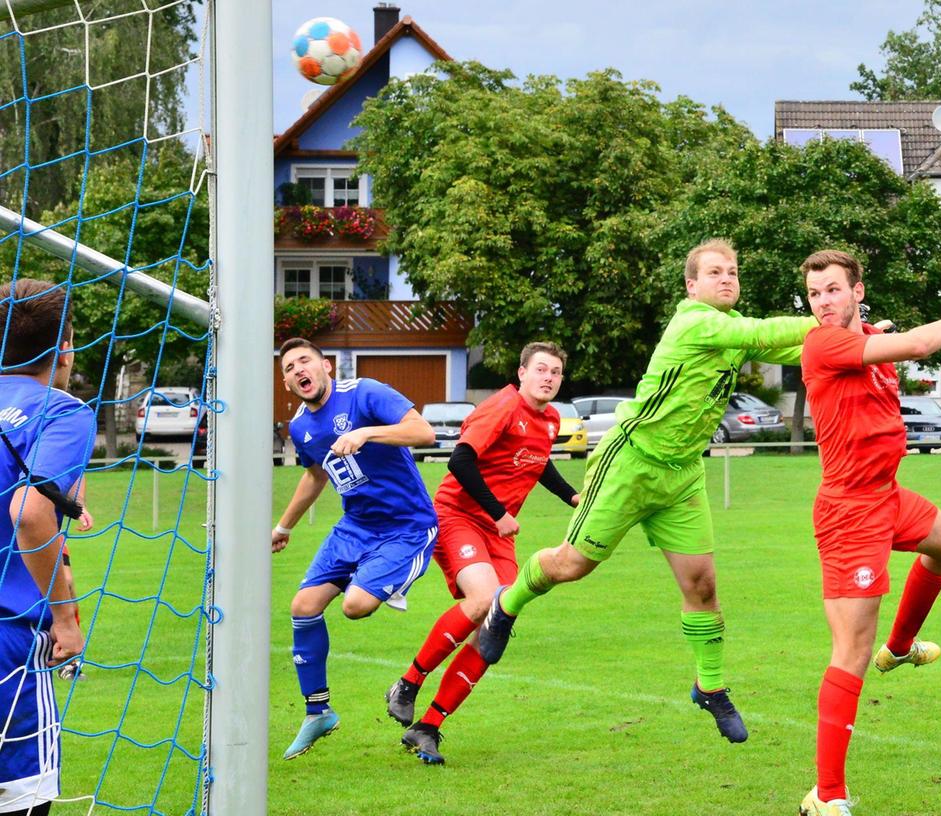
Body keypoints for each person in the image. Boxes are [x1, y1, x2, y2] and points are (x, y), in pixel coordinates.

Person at [476, 238, 816, 744]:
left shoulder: (730, 331)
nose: (727, 279)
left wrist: (862, 334)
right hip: (630, 465)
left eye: (733, 272)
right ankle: (506, 603)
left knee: (703, 586)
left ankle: (711, 687)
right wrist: (833, 316)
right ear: (691, 285)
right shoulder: (696, 321)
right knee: (571, 565)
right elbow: (770, 331)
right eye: (716, 272)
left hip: (681, 476)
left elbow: (802, 346)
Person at [795, 249, 941, 816]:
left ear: (857, 291)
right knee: (849, 652)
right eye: (815, 294)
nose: (823, 303)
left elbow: (886, 342)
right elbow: (916, 345)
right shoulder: (822, 344)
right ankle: (827, 796)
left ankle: (902, 646)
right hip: (848, 512)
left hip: (887, 495)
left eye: (833, 290)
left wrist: (874, 330)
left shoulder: (862, 339)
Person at [385, 342, 580, 764]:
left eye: (556, 372)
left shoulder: (549, 419)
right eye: (541, 369)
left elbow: (537, 462)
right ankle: (407, 683)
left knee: (494, 628)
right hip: (459, 517)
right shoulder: (501, 407)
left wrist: (571, 497)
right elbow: (460, 460)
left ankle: (428, 727)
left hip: (498, 534)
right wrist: (498, 512)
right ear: (522, 372)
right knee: (483, 601)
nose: (549, 377)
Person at [271, 337, 438, 760]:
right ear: (287, 382)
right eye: (289, 368)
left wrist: (366, 432)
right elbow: (315, 475)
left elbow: (424, 432)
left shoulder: (364, 393)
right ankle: (318, 712)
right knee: (303, 606)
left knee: (355, 606)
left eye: (304, 361)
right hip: (355, 526)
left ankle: (391, 580)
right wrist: (283, 525)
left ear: (326, 366)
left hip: (406, 526)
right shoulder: (299, 427)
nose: (298, 371)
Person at [1, 278, 94, 816]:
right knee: (23, 801)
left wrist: (67, 498)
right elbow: (30, 514)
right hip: (8, 642)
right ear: (64, 349)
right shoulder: (61, 410)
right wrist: (65, 618)